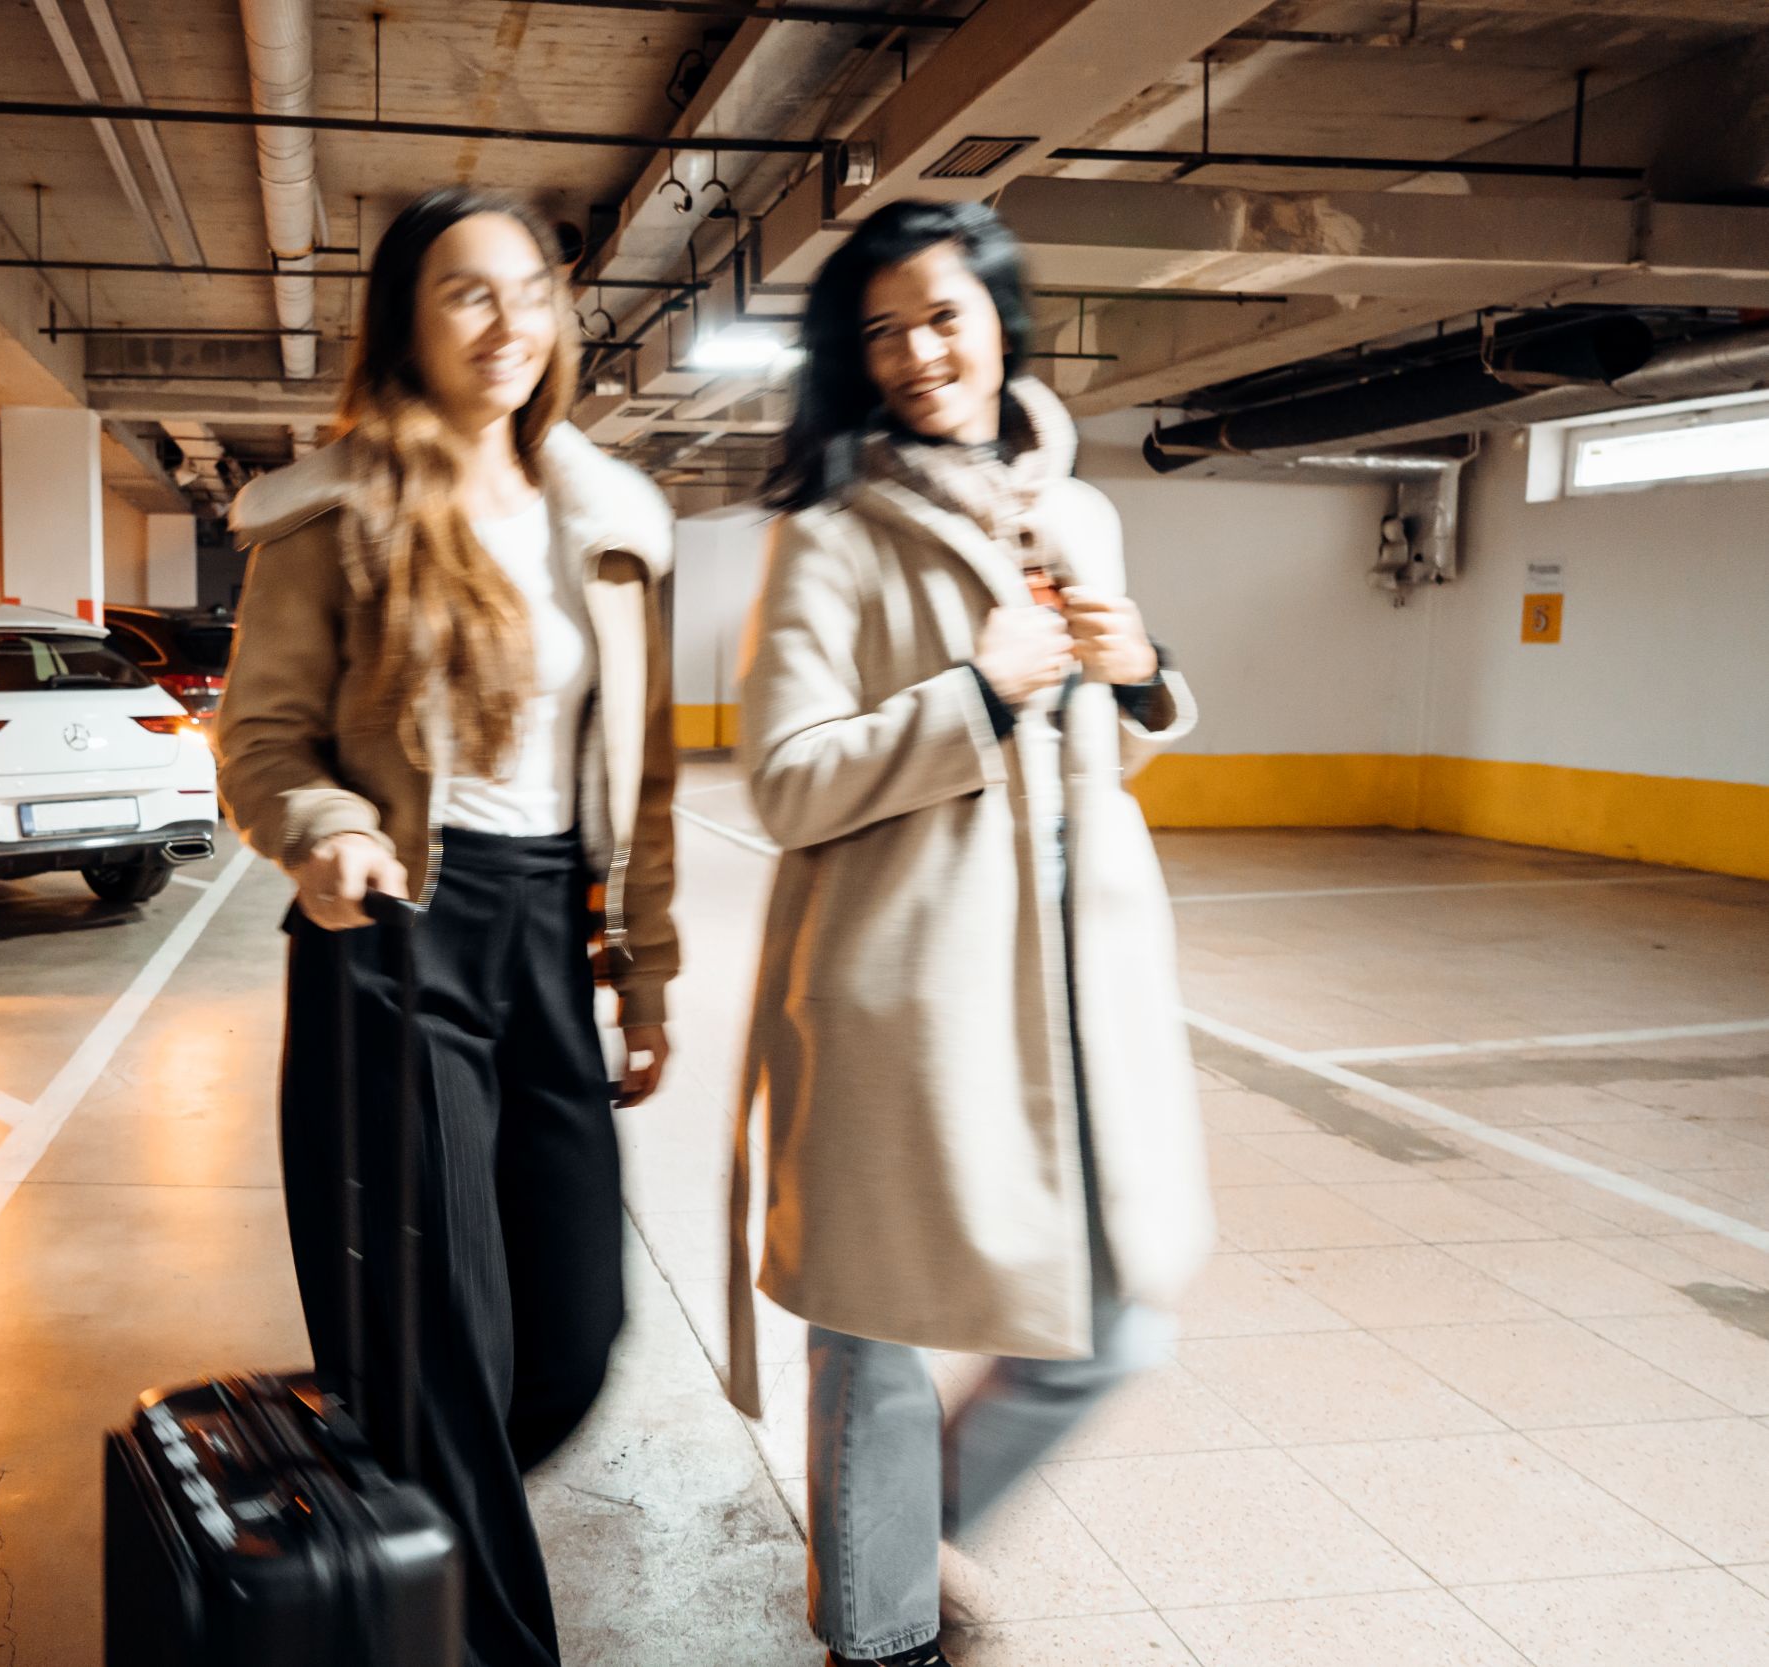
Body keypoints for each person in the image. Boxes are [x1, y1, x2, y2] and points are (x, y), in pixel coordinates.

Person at [724, 200, 1215, 1667]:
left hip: (1078, 977)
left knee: (1119, 1319)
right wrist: (977, 696)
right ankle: (878, 1632)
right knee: (872, 1328)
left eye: (943, 315)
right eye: (881, 331)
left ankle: (898, 1534)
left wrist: (1142, 677)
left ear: (1002, 317)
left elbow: (1089, 763)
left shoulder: (1078, 514)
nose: (918, 352)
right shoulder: (827, 538)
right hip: (906, 982)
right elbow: (787, 780)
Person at [216, 186, 680, 1667]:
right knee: (442, 1346)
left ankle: (407, 1511)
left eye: (529, 290)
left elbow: (642, 775)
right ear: (406, 326)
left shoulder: (609, 524)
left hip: (548, 928)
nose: (507, 322)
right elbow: (262, 741)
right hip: (397, 933)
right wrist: (326, 827)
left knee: (572, 1335)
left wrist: (643, 975)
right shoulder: (334, 513)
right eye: (466, 293)